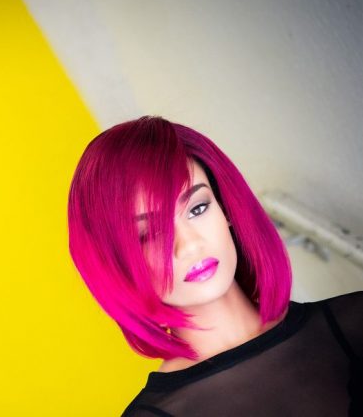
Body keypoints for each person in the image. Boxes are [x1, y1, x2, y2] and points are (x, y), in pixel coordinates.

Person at [66, 116, 362, 416]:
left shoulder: (354, 324)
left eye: (197, 208)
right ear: (118, 263)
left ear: (225, 207)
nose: (189, 245)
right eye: (150, 234)